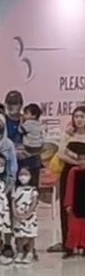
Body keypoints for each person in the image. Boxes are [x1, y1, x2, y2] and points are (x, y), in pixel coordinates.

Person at [56, 106, 85, 255]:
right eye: (76, 116)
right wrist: (77, 163)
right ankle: (68, 244)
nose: (79, 119)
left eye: (82, 116)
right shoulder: (68, 135)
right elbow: (60, 154)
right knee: (67, 207)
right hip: (70, 174)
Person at [11, 165, 39, 265]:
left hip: (30, 217)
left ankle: (30, 252)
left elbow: (34, 203)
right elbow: (13, 201)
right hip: (18, 215)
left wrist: (28, 214)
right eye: (21, 174)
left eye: (26, 174)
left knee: (30, 234)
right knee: (19, 235)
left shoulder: (33, 189)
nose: (23, 177)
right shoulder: (16, 188)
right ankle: (20, 251)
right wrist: (15, 213)